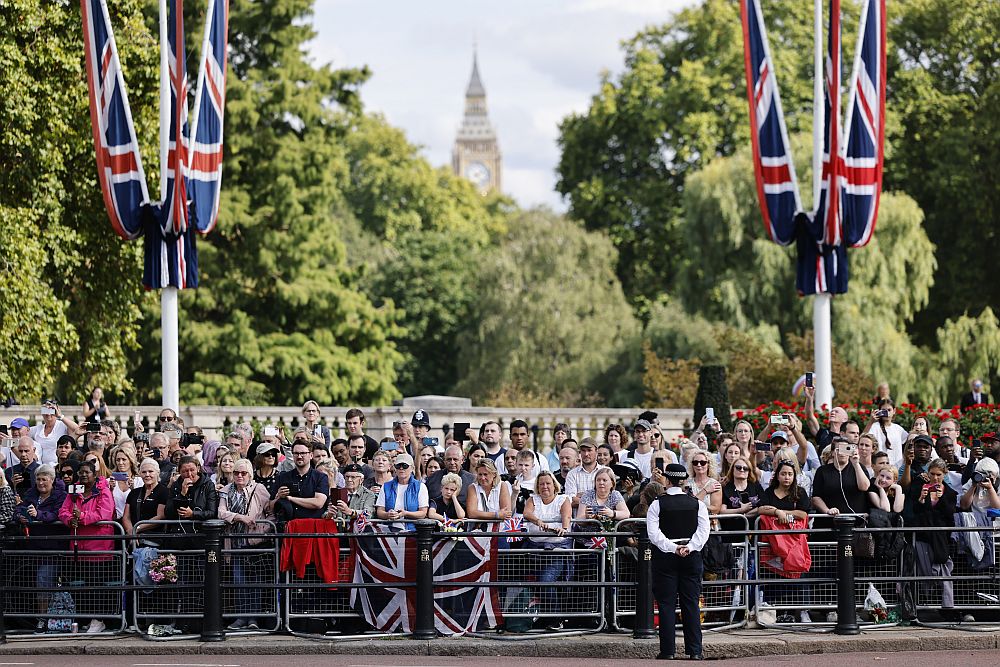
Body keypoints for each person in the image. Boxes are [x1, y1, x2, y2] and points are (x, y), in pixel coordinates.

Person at [647, 463, 709, 660]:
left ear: (666, 480)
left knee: (666, 604)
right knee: (690, 603)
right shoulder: (697, 503)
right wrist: (689, 547)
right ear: (684, 481)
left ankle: (668, 651)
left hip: (666, 556)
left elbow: (653, 535)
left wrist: (674, 548)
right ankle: (695, 651)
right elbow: (703, 532)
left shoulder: (657, 503)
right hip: (690, 555)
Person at [908, 458, 970, 622]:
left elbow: (949, 514)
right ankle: (918, 608)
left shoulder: (949, 492)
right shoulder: (920, 487)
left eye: (939, 474)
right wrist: (922, 498)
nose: (935, 478)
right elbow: (915, 511)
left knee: (942, 569)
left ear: (944, 474)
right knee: (922, 570)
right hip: (922, 535)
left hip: (940, 539)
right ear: (928, 473)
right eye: (932, 474)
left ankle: (947, 608)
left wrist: (941, 498)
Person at [58, 460, 115, 633]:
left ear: (94, 474)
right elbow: (63, 511)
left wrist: (82, 517)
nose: (83, 475)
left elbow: (104, 513)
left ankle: (98, 619)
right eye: (80, 472)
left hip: (99, 547)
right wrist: (70, 520)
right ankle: (85, 618)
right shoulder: (74, 491)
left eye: (86, 472)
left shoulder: (103, 490)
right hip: (79, 547)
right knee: (80, 587)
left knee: (96, 586)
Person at [218, 458, 272, 630]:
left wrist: (263, 531)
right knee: (238, 581)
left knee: (255, 582)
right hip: (234, 542)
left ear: (250, 474)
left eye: (243, 473)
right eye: (236, 473)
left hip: (254, 541)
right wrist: (240, 517)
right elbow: (220, 512)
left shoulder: (259, 489)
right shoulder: (226, 490)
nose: (239, 476)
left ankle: (253, 618)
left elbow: (270, 512)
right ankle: (241, 618)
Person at [14, 464, 67, 631]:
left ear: (52, 480)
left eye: (44, 479)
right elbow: (18, 509)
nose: (41, 482)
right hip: (32, 546)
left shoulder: (61, 495)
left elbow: (57, 514)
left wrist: (39, 515)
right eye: (38, 479)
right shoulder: (31, 494)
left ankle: (44, 619)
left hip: (52, 547)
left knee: (44, 582)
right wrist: (21, 516)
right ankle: (36, 617)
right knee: (34, 583)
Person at [522, 470, 573, 630]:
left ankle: (556, 618)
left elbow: (567, 517)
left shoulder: (562, 499)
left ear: (554, 485)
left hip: (555, 550)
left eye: (548, 483)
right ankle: (542, 617)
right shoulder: (533, 499)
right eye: (541, 483)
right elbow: (527, 513)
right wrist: (538, 521)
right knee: (536, 583)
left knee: (545, 580)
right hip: (534, 549)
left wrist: (564, 527)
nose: (545, 486)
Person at [270, 440, 329, 523]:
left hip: (313, 528)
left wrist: (290, 498)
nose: (299, 456)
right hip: (288, 528)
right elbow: (270, 508)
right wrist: (278, 496)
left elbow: (318, 503)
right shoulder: (282, 477)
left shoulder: (320, 477)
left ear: (311, 455)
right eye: (296, 453)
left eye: (303, 453)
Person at [375, 453, 428, 527]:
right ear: (394, 468)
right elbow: (380, 511)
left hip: (412, 531)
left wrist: (405, 513)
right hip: (390, 530)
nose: (401, 468)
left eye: (405, 466)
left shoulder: (421, 486)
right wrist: (388, 515)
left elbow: (423, 513)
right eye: (398, 466)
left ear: (412, 468)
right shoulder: (386, 486)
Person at [720, 455, 763, 541]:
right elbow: (722, 511)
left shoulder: (755, 485)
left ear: (749, 471)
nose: (742, 470)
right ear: (732, 470)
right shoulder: (726, 488)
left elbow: (763, 506)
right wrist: (741, 510)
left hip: (754, 532)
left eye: (745, 468)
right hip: (732, 533)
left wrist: (745, 515)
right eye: (738, 467)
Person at [122, 458, 168, 537]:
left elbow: (160, 516)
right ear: (140, 474)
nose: (147, 474)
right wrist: (130, 532)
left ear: (158, 473)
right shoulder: (134, 492)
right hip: (132, 537)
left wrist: (137, 529)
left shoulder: (164, 491)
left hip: (154, 537)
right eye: (144, 472)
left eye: (150, 471)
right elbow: (126, 517)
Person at [465, 459, 512, 525]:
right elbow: (472, 513)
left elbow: (506, 513)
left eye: (485, 474)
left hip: (499, 530)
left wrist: (480, 514)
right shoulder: (472, 488)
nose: (482, 478)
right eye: (480, 474)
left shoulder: (502, 486)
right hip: (478, 531)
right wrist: (496, 515)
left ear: (494, 474)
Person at [863, 398, 908, 467]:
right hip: (880, 467)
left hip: (897, 468)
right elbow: (863, 437)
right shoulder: (875, 427)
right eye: (884, 410)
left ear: (894, 411)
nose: (887, 413)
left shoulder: (898, 429)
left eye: (889, 410)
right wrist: (871, 421)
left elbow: (909, 440)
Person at [564, 438, 605, 508]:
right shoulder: (572, 474)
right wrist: (597, 498)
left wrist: (581, 497)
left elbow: (609, 499)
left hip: (602, 517)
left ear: (596, 451)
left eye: (589, 450)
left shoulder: (605, 471)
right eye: (583, 451)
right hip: (579, 518)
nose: (586, 454)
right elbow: (570, 500)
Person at [108, 446, 143, 521]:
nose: (120, 463)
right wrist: (110, 490)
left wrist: (133, 490)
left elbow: (142, 504)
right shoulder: (108, 481)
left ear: (131, 461)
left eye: (124, 459)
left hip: (134, 521)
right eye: (118, 460)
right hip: (114, 523)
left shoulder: (139, 481)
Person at [685, 451, 723, 515]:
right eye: (695, 462)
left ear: (708, 464)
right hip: (691, 521)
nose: (699, 465)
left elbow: (716, 510)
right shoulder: (687, 484)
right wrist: (705, 491)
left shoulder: (714, 484)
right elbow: (688, 506)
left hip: (710, 522)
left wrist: (695, 506)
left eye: (702, 463)